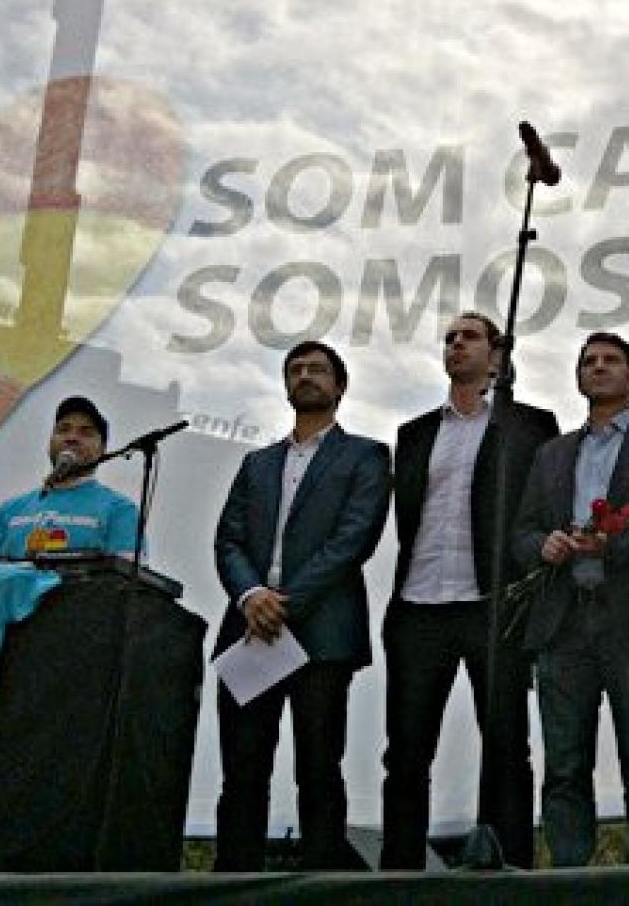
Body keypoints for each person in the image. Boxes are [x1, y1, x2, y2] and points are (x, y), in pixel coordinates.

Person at [511, 332, 629, 865]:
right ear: (577, 377)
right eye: (588, 361)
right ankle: (569, 882)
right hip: (562, 622)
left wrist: (614, 544)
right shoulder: (551, 453)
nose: (598, 368)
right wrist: (542, 546)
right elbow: (521, 531)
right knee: (564, 768)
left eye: (610, 360)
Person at [381, 312, 558, 870]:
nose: (457, 345)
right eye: (450, 339)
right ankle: (400, 873)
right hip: (418, 606)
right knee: (406, 754)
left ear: (497, 354)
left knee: (506, 748)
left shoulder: (528, 426)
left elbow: (540, 510)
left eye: (470, 337)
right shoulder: (413, 434)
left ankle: (510, 870)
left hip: (494, 608)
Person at [211, 340, 391, 871]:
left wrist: (283, 603)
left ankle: (319, 881)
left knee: (317, 767)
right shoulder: (256, 463)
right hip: (249, 630)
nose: (306, 376)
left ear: (340, 386)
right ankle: (233, 879)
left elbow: (354, 538)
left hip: (322, 634)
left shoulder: (366, 455)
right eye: (296, 369)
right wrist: (251, 596)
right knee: (242, 770)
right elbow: (228, 540)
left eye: (318, 369)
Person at [0, 396, 140, 558]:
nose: (72, 438)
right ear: (50, 441)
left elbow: (129, 582)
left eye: (85, 432)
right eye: (63, 429)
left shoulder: (119, 509)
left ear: (102, 449)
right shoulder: (10, 511)